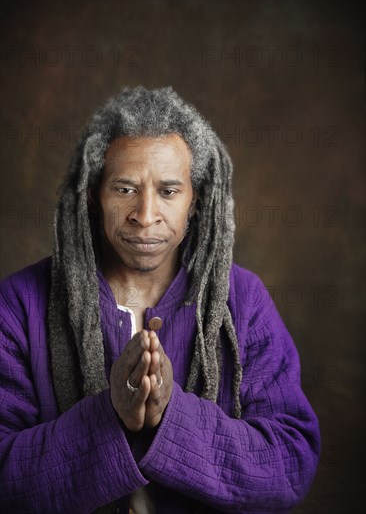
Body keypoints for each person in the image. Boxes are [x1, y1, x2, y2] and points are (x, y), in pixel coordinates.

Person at [0, 86, 320, 514]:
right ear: (94, 196)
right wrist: (110, 414)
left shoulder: (244, 301)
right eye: (125, 188)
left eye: (168, 191)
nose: (145, 214)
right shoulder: (19, 304)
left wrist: (170, 415)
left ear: (195, 200)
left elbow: (289, 463)